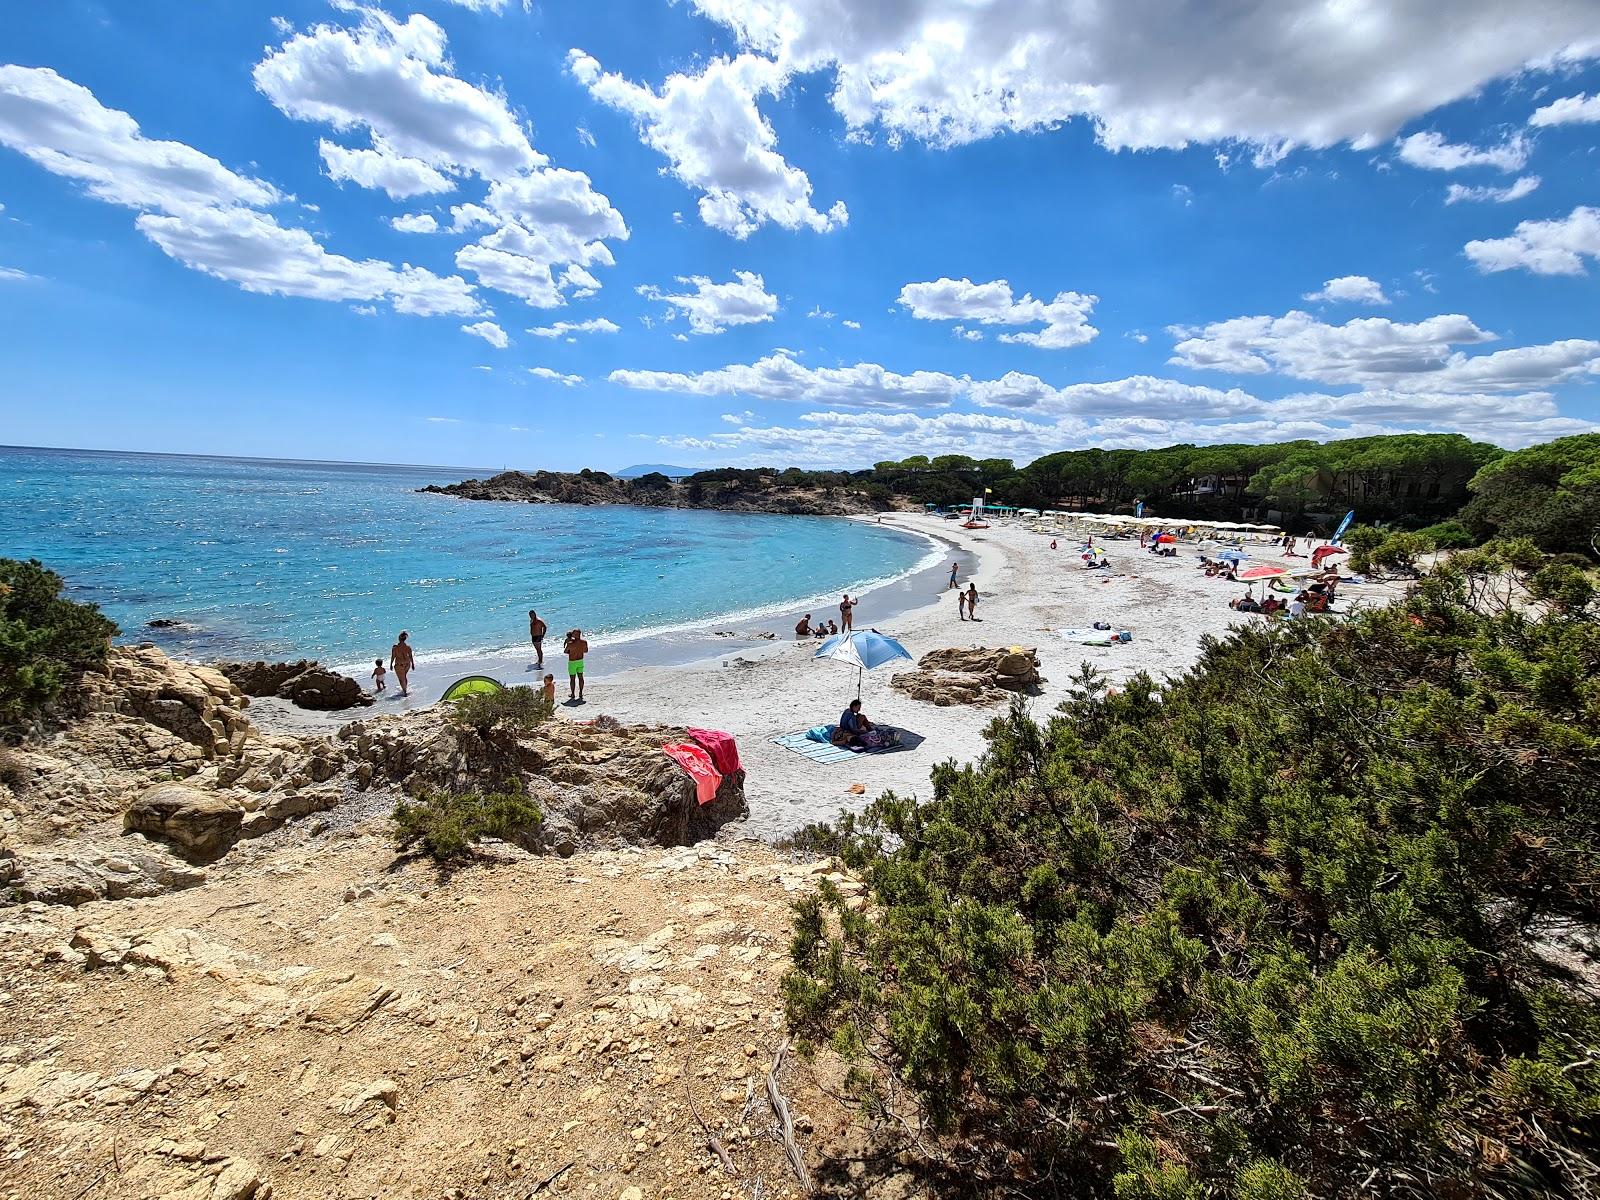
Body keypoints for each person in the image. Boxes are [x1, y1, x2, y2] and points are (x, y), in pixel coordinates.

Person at [562, 628, 588, 702]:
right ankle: (580, 693)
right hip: (580, 661)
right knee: (581, 677)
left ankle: (573, 694)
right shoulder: (584, 642)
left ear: (575, 634)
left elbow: (565, 651)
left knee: (572, 678)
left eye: (573, 633)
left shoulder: (570, 643)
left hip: (572, 662)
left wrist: (569, 645)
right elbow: (586, 651)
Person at [389, 631, 415, 697]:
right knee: (404, 677)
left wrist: (391, 664)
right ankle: (405, 689)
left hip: (399, 664)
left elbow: (393, 656)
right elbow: (410, 656)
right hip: (407, 664)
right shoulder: (408, 647)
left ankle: (405, 692)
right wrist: (413, 664)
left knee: (401, 679)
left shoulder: (395, 647)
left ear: (399, 638)